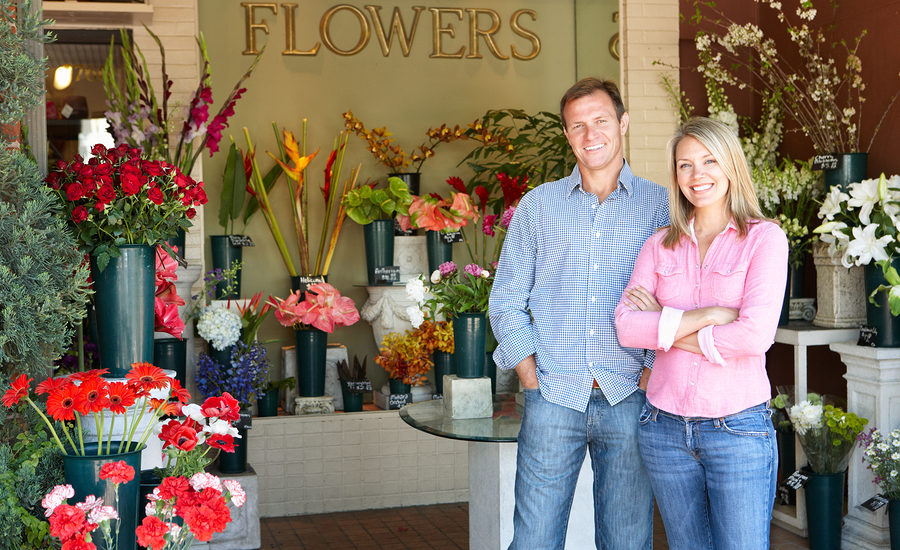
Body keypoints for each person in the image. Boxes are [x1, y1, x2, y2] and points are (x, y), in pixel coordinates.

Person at [489, 77, 669, 549]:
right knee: (533, 541)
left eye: (601, 121)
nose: (591, 135)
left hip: (630, 395)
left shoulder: (662, 207)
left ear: (623, 123)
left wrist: (651, 374)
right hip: (553, 396)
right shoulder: (538, 206)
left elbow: (678, 300)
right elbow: (505, 298)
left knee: (627, 541)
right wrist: (530, 376)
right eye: (578, 126)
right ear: (567, 135)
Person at [615, 117, 787, 549]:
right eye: (684, 165)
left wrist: (665, 323)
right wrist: (708, 314)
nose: (697, 175)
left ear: (731, 165)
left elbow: (754, 337)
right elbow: (626, 326)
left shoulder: (764, 240)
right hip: (664, 429)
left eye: (709, 161)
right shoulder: (659, 244)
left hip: (739, 429)